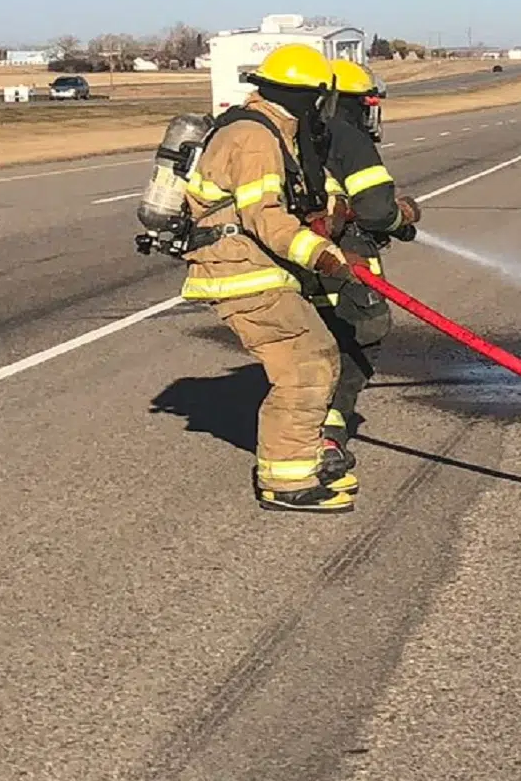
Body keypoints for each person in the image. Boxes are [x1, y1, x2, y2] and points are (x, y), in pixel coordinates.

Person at [179, 44, 358, 514]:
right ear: (307, 94)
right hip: (241, 273)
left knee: (314, 355)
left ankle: (301, 451)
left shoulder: (268, 128)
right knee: (306, 366)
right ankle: (287, 478)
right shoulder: (255, 138)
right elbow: (266, 218)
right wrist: (321, 255)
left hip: (252, 269)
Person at [303, 59, 420, 484]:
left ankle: (301, 427)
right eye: (365, 102)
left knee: (308, 345)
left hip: (292, 256)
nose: (370, 111)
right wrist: (402, 216)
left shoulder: (290, 132)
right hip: (342, 260)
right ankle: (329, 433)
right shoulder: (348, 137)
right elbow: (375, 212)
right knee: (364, 334)